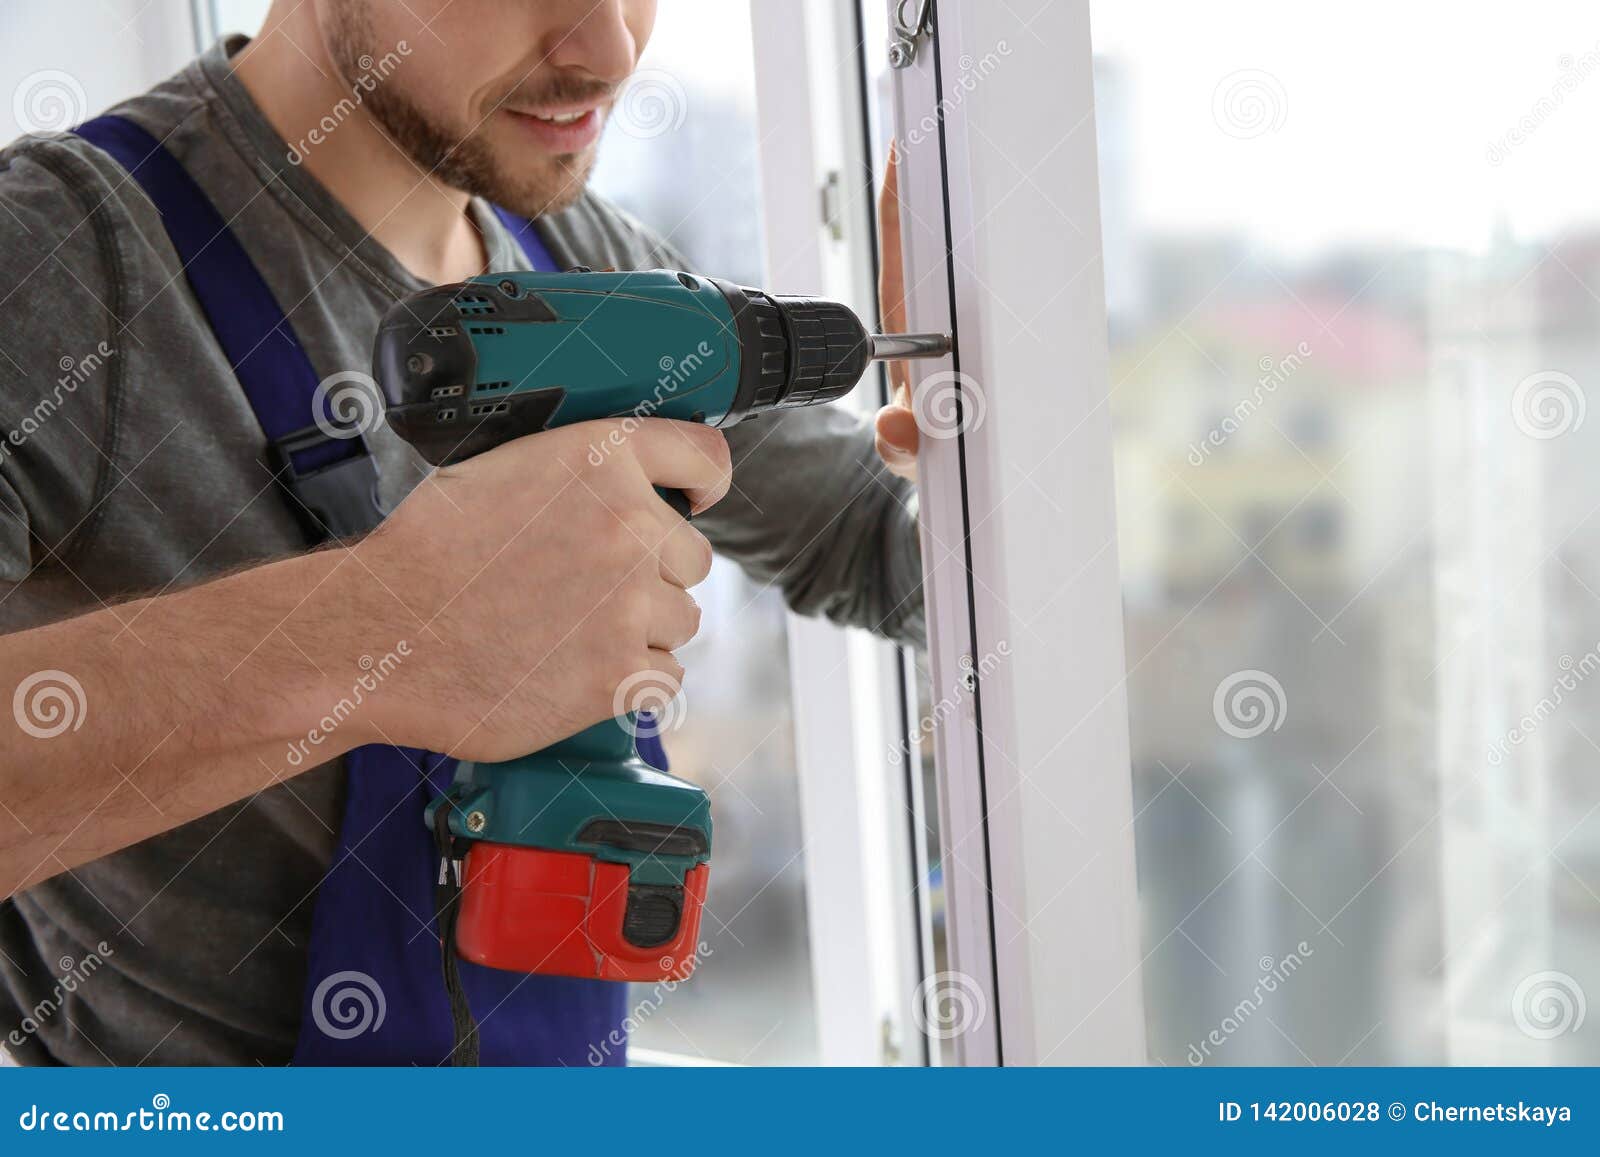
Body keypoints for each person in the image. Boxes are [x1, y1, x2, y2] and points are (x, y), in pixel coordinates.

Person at [0, 0, 923, 1066]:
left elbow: (878, 546)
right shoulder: (59, 256)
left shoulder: (570, 255)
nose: (609, 51)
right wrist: (387, 625)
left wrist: (960, 418)